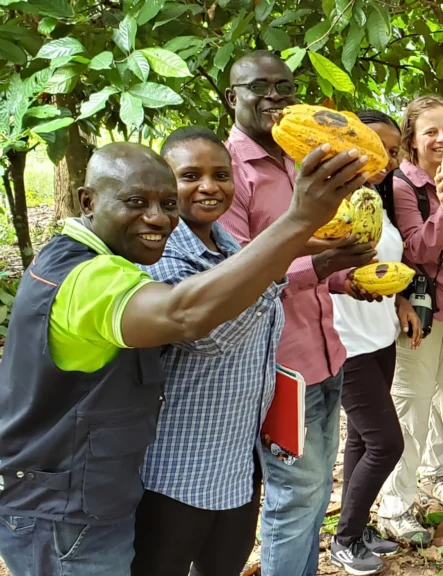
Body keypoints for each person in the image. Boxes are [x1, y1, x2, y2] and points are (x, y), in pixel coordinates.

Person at [0, 138, 369, 576]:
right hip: (66, 512)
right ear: (88, 201)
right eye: (136, 202)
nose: (157, 218)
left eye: (167, 204)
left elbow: (233, 272)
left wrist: (310, 243)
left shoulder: (96, 260)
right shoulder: (89, 278)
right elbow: (187, 314)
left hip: (89, 494)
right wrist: (298, 218)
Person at [218, 50, 379, 576]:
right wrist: (324, 263)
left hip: (327, 353)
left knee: (313, 492)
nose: (273, 98)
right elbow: (238, 276)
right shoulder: (227, 173)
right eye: (258, 87)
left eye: (283, 87)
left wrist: (345, 277)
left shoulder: (301, 156)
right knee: (293, 498)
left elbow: (314, 253)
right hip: (279, 368)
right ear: (231, 98)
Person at [126, 127, 281, 575]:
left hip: (236, 463)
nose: (209, 186)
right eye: (190, 175)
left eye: (221, 174)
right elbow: (209, 333)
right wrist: (286, 244)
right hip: (175, 472)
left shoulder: (229, 246)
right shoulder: (158, 253)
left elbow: (259, 341)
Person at [377, 95, 443, 546]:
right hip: (419, 309)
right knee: (412, 401)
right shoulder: (404, 185)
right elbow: (417, 249)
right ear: (413, 142)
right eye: (430, 132)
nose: (442, 138)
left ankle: (437, 475)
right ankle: (396, 503)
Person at [329, 110, 422, 575]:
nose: (385, 160)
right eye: (376, 149)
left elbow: (384, 264)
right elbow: (309, 270)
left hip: (379, 335)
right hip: (346, 342)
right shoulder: (326, 201)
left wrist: (401, 299)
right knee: (387, 442)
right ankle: (344, 541)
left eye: (392, 152)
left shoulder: (374, 200)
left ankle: (356, 527)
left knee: (363, 443)